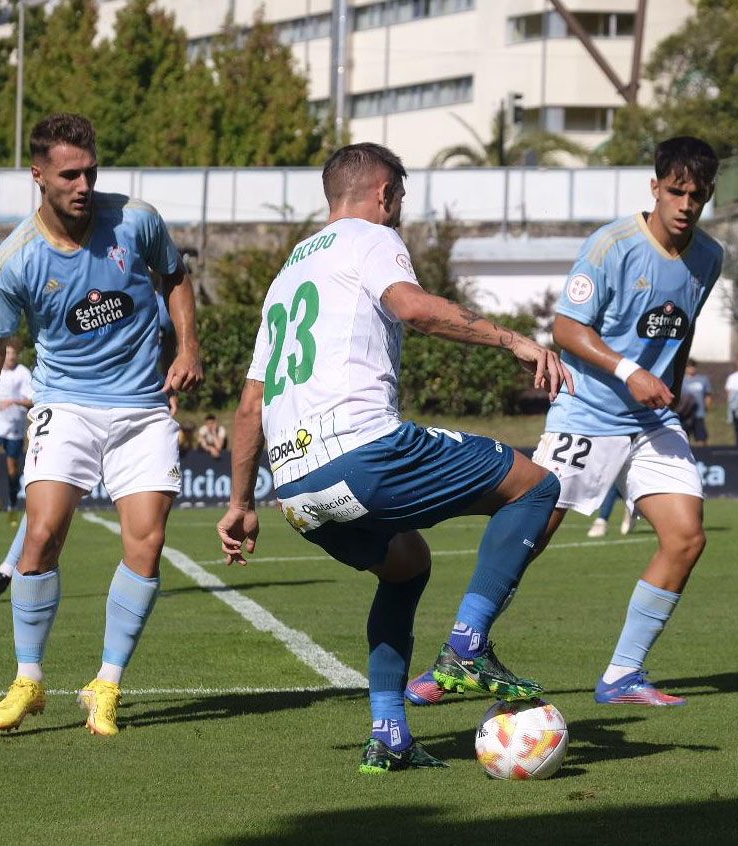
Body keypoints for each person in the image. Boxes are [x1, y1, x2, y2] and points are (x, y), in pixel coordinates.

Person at [217, 142, 572, 774]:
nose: (400, 211)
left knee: (406, 567)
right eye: (400, 199)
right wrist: (513, 339)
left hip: (296, 488)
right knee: (538, 487)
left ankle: (390, 734)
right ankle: (466, 648)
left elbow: (250, 406)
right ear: (384, 193)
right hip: (363, 454)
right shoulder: (370, 237)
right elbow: (411, 307)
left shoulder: (288, 274)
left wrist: (241, 503)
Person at [411, 136, 723, 708]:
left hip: (651, 422)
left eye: (696, 196)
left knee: (686, 538)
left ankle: (623, 674)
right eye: (675, 191)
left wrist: (669, 384)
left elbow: (683, 327)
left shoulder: (710, 257)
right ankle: (456, 655)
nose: (684, 204)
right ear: (654, 187)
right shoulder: (611, 246)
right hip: (588, 414)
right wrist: (630, 370)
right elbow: (567, 328)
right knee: (531, 536)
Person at [0, 113, 203, 737]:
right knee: (40, 537)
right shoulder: (15, 261)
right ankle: (29, 679)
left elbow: (175, 278)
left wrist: (188, 348)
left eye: (91, 171)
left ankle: (106, 683)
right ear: (38, 176)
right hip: (64, 406)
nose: (83, 184)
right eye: (69, 174)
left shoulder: (136, 221)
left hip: (144, 408)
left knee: (146, 547)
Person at [0, 343, 33, 524]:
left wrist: (13, 401)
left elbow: (31, 401)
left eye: (12, 353)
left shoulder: (23, 373)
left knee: (12, 470)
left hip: (15, 426)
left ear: (17, 355)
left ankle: (12, 505)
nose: (10, 356)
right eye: (7, 353)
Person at [677, 357, 713, 448]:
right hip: (684, 414)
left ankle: (703, 456)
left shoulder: (703, 379)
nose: (691, 369)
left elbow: (708, 395)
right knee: (683, 437)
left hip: (698, 413)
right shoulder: (681, 380)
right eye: (688, 366)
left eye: (693, 366)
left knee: (701, 437)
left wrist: (707, 407)